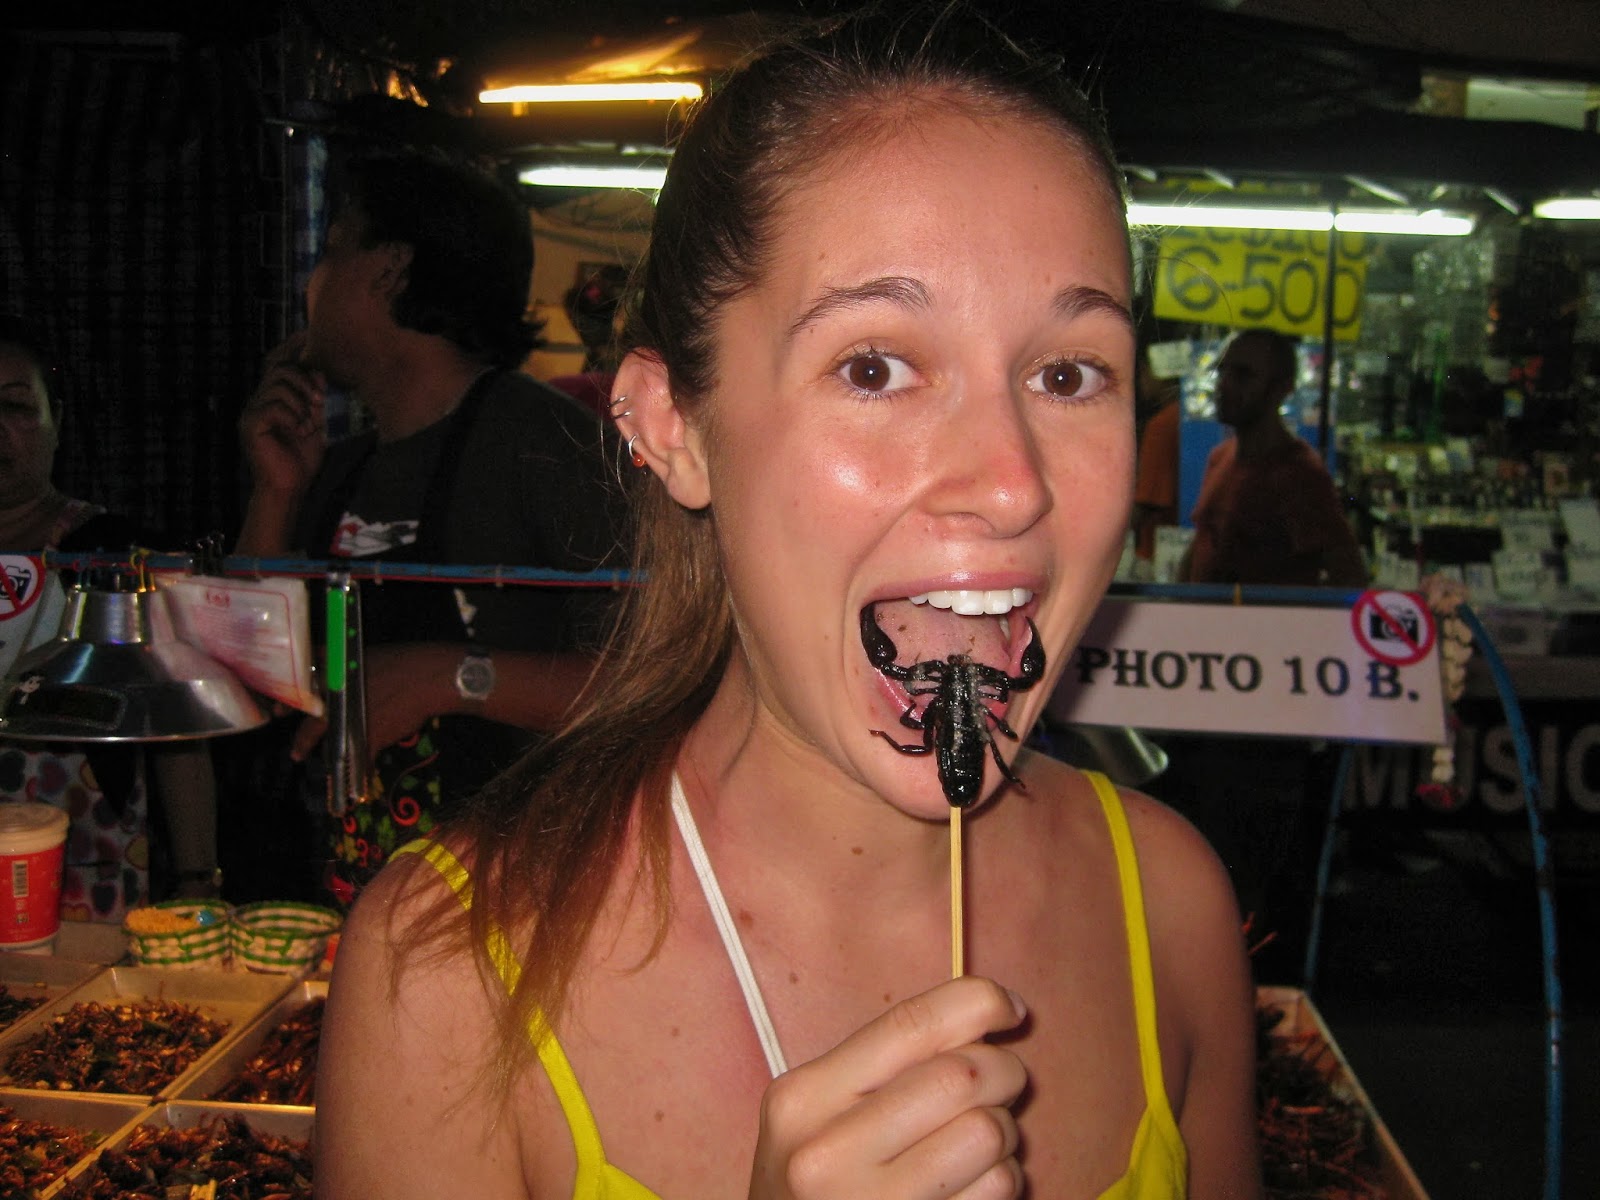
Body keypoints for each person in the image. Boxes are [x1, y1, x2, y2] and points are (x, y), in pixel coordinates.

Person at [317, 9, 1260, 1199]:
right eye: (874, 366)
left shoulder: (1171, 909)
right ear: (674, 428)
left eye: (1067, 373)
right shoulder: (447, 980)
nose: (1014, 484)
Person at [234, 150, 627, 904]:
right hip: (346, 903)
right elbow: (252, 680)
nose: (311, 285)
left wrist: (449, 677)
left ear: (388, 269)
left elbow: (665, 680)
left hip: (519, 903)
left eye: (332, 251)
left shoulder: (547, 445)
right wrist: (276, 493)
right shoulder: (338, 467)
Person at [0, 314, 217, 913]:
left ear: (57, 424)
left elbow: (179, 730)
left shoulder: (114, 553)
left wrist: (198, 879)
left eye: (15, 407)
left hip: (85, 863)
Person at [1180, 328, 1366, 588]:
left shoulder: (1298, 474)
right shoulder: (1221, 457)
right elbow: (1204, 541)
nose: (1225, 385)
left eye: (1243, 375)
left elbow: (1347, 573)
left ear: (1282, 388)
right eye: (1223, 372)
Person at [1130, 351, 1180, 570]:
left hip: (1157, 553)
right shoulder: (1178, 418)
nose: (1141, 382)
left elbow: (1147, 501)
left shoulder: (1161, 425)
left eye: (1143, 372)